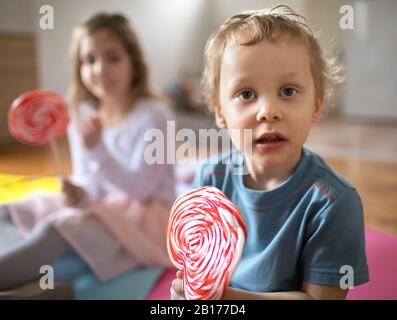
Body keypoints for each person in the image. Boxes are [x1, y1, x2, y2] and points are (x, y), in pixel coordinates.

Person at [171, 5, 369, 300]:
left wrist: (227, 299)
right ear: (219, 112)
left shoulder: (334, 204)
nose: (268, 112)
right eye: (246, 94)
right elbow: (204, 265)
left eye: (288, 91)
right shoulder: (211, 177)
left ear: (317, 104)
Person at [0, 13, 175, 291]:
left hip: (146, 217)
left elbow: (141, 189)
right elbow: (90, 186)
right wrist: (78, 194)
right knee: (12, 210)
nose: (100, 69)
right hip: (101, 204)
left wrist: (98, 151)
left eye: (112, 58)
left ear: (135, 63)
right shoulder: (83, 116)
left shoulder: (154, 117)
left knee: (56, 228)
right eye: (90, 60)